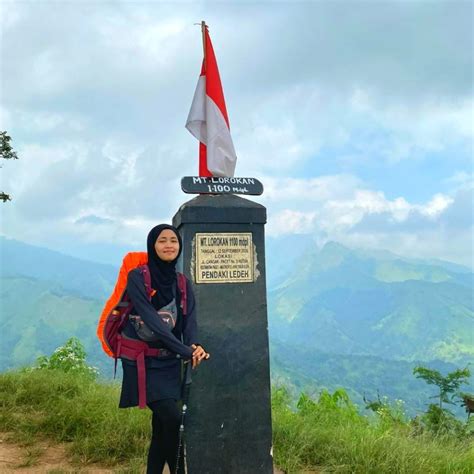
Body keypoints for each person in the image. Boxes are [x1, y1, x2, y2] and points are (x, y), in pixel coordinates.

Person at [118, 224, 209, 474]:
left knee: (162, 428)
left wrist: (195, 345)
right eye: (162, 241)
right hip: (143, 363)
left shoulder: (182, 282)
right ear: (152, 246)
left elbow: (189, 320)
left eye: (173, 241)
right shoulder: (138, 277)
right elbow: (153, 322)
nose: (169, 245)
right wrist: (185, 350)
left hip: (169, 364)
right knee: (173, 418)